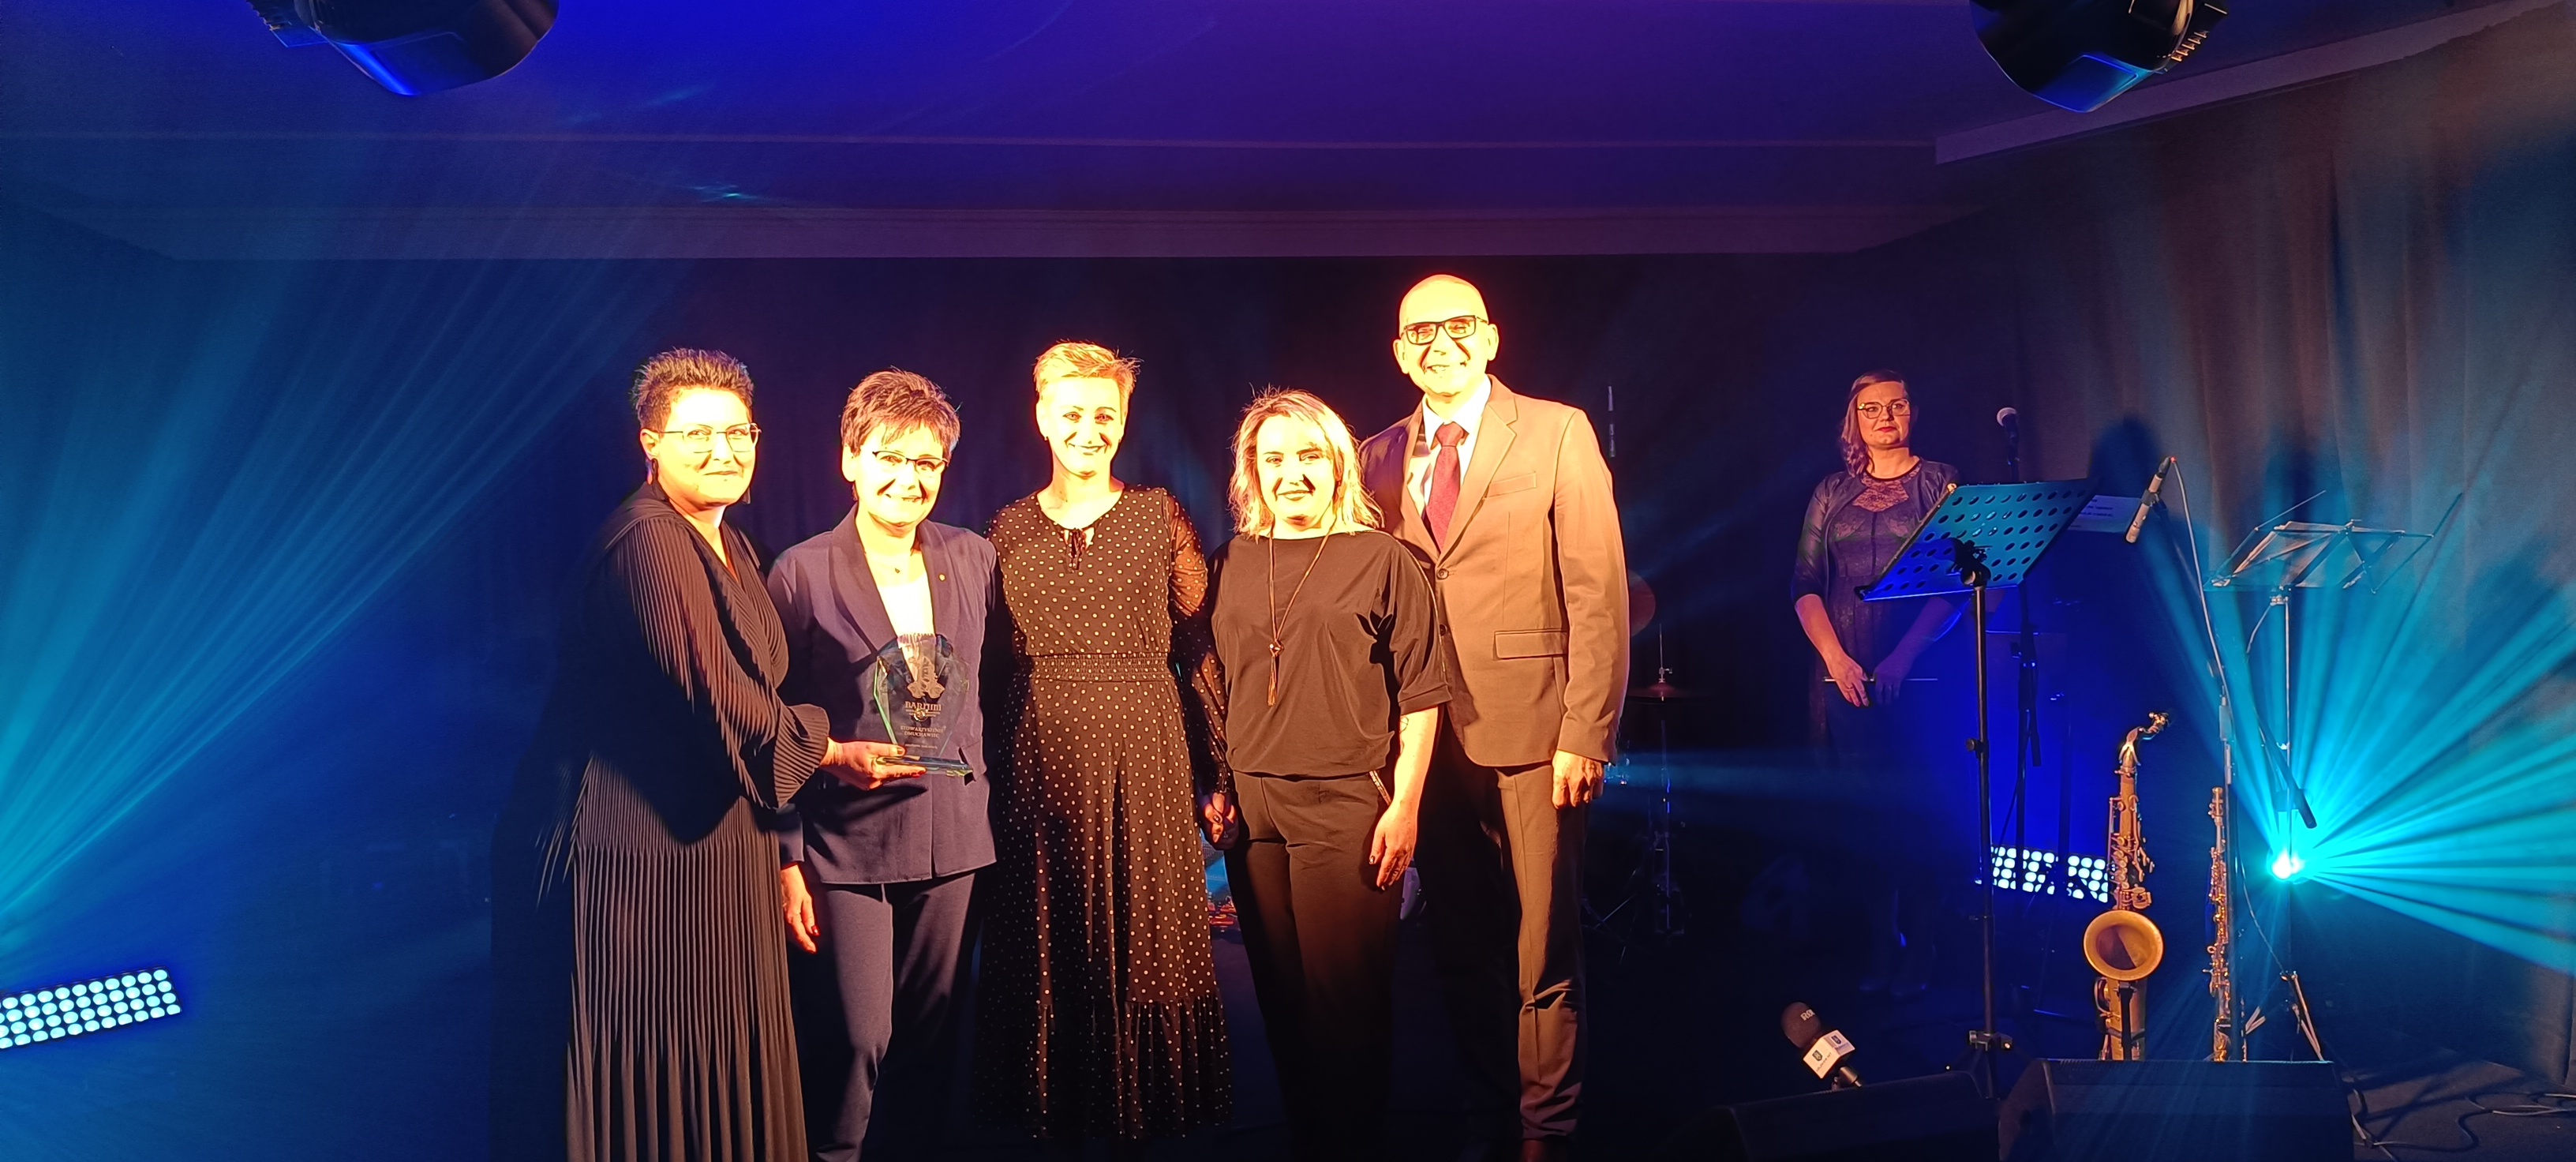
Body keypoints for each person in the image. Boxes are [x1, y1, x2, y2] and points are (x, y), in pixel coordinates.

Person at [490, 349, 911, 1162]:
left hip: (713, 850)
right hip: (630, 861)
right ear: (650, 442)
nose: (722, 450)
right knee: (649, 1084)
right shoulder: (647, 541)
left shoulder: (732, 545)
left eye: (737, 432)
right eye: (697, 434)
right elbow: (720, 702)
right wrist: (828, 745)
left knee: (714, 1076)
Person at [1357, 276, 1629, 1161]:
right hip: (1422, 740)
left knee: (1542, 949)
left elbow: (1598, 591)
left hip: (1538, 731)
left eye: (1458, 325)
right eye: (1421, 331)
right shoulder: (1373, 454)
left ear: (1491, 337)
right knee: (1461, 946)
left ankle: (1547, 1132)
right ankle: (1489, 1111)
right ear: (1400, 352)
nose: (1440, 343)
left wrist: (1586, 730)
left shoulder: (1557, 430)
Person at [972, 342, 1232, 1147]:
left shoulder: (1158, 515)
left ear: (1123, 421)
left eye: (1105, 415)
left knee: (1144, 927)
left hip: (1144, 747)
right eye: (1073, 413)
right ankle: (1052, 1105)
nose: (1089, 429)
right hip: (1038, 751)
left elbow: (1196, 646)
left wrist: (1216, 767)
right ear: (1042, 416)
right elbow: (989, 663)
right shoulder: (1007, 528)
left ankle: (1141, 1111)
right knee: (1047, 924)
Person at [1200, 390, 1447, 1161]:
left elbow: (1424, 694)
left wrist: (1406, 804)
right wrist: (1218, 782)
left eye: (1309, 456)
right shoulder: (1229, 561)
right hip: (1253, 810)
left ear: (1337, 463)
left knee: (1346, 1007)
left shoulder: (1383, 559)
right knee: (1281, 1003)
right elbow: (1218, 682)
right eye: (1274, 458)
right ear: (1252, 470)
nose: (1293, 474)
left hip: (1345, 801)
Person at [767, 370, 998, 1160]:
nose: (908, 478)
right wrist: (786, 856)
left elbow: (996, 689)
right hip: (845, 845)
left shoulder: (973, 556)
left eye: (925, 462)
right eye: (889, 457)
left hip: (952, 838)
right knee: (858, 1040)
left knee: (931, 1047)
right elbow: (771, 718)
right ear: (850, 460)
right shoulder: (800, 571)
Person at [1790, 369, 1960, 994]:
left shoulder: (1940, 480)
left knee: (1920, 818)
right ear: (1853, 420)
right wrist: (1834, 659)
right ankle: (1885, 946)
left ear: (1913, 411)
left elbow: (1955, 584)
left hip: (1916, 678)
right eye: (1871, 409)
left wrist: (1903, 659)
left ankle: (1924, 950)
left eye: (1897, 405)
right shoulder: (1831, 491)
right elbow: (1805, 583)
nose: (1885, 417)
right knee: (1865, 823)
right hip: (1843, 679)